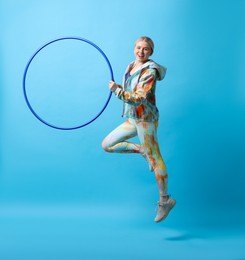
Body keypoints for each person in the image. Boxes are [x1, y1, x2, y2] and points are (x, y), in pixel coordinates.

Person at [102, 36, 176, 223]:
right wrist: (120, 88)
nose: (140, 52)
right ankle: (142, 150)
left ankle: (165, 200)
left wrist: (117, 91)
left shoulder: (150, 71)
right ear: (134, 48)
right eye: (138, 47)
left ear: (151, 52)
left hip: (145, 120)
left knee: (156, 158)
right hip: (134, 118)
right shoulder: (131, 65)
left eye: (145, 49)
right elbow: (130, 91)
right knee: (107, 144)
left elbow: (140, 97)